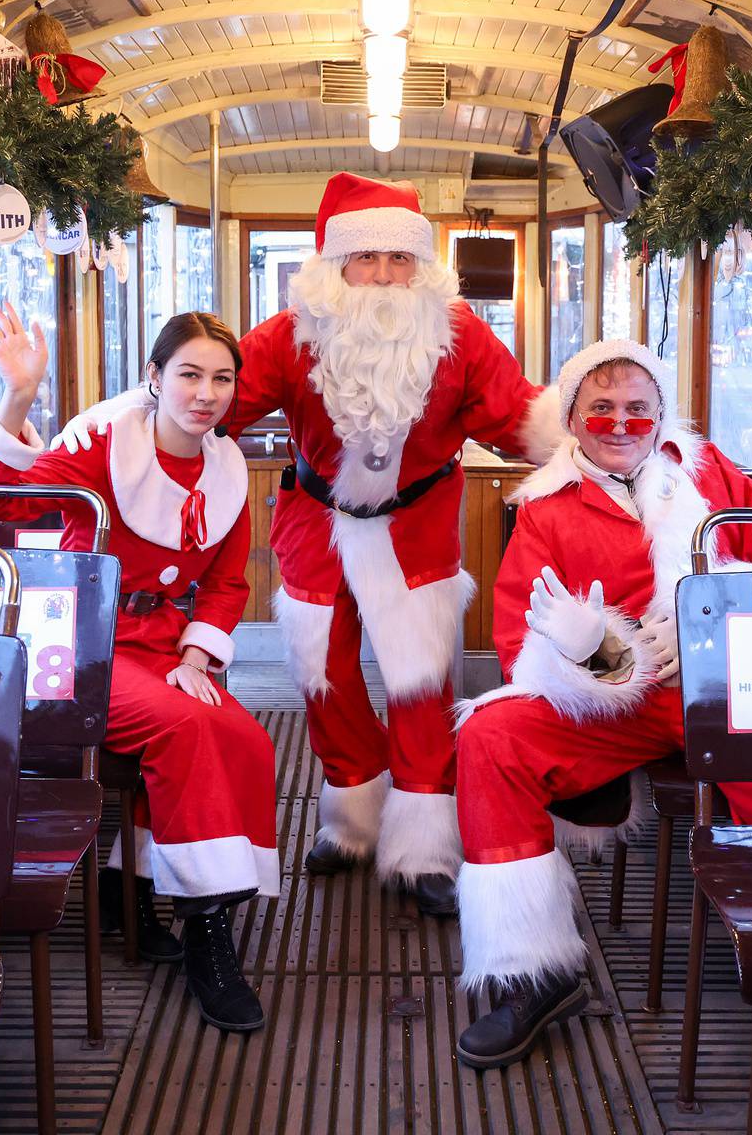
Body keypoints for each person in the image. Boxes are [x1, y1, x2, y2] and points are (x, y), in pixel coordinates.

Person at [59, 173, 559, 918]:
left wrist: (598, 441)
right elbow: (213, 398)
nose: (385, 275)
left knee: (422, 687)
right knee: (324, 677)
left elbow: (517, 416)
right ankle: (353, 814)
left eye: (400, 259)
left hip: (417, 526)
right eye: (368, 259)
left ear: (421, 266)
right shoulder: (291, 333)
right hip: (316, 525)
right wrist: (122, 424)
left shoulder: (458, 333)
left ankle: (424, 846)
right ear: (335, 264)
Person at [447, 340, 752, 1068]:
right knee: (490, 736)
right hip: (617, 702)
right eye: (601, 409)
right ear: (573, 419)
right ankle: (536, 971)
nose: (621, 424)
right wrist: (601, 653)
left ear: (661, 415)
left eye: (637, 409)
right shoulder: (546, 509)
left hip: (726, 685)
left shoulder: (705, 472)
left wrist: (708, 611)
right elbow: (519, 645)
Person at [0, 304, 277, 1034]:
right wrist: (19, 397)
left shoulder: (226, 468)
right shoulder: (105, 444)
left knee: (251, 743)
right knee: (189, 727)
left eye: (222, 379)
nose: (206, 393)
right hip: (79, 642)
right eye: (190, 374)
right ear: (154, 378)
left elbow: (228, 584)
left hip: (164, 642)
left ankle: (125, 887)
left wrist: (198, 653)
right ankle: (207, 934)